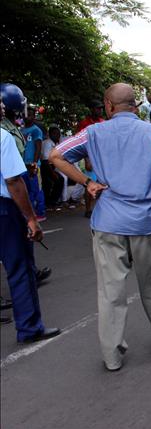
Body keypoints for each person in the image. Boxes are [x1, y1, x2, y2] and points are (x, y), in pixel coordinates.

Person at [51, 83, 151, 371]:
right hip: (146, 221)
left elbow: (55, 155)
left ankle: (112, 356)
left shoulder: (93, 133)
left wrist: (87, 182)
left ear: (108, 105)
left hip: (108, 222)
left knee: (111, 292)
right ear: (135, 105)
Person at [1, 84, 60, 343]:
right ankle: (29, 327)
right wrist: (31, 219)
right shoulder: (4, 137)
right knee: (21, 268)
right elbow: (14, 181)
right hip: (5, 208)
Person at [21, 106, 46, 221]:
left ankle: (41, 213)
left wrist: (35, 163)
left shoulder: (36, 130)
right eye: (25, 115)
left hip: (33, 165)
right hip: (23, 165)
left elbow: (38, 148)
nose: (27, 117)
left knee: (37, 189)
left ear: (34, 116)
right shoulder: (21, 130)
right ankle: (31, 213)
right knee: (27, 190)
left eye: (30, 115)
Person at [40, 126, 64, 208]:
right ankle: (50, 202)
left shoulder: (54, 143)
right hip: (46, 166)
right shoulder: (48, 143)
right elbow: (45, 160)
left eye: (58, 134)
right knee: (51, 182)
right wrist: (53, 173)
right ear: (50, 134)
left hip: (50, 166)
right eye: (55, 134)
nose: (58, 136)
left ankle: (51, 202)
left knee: (58, 180)